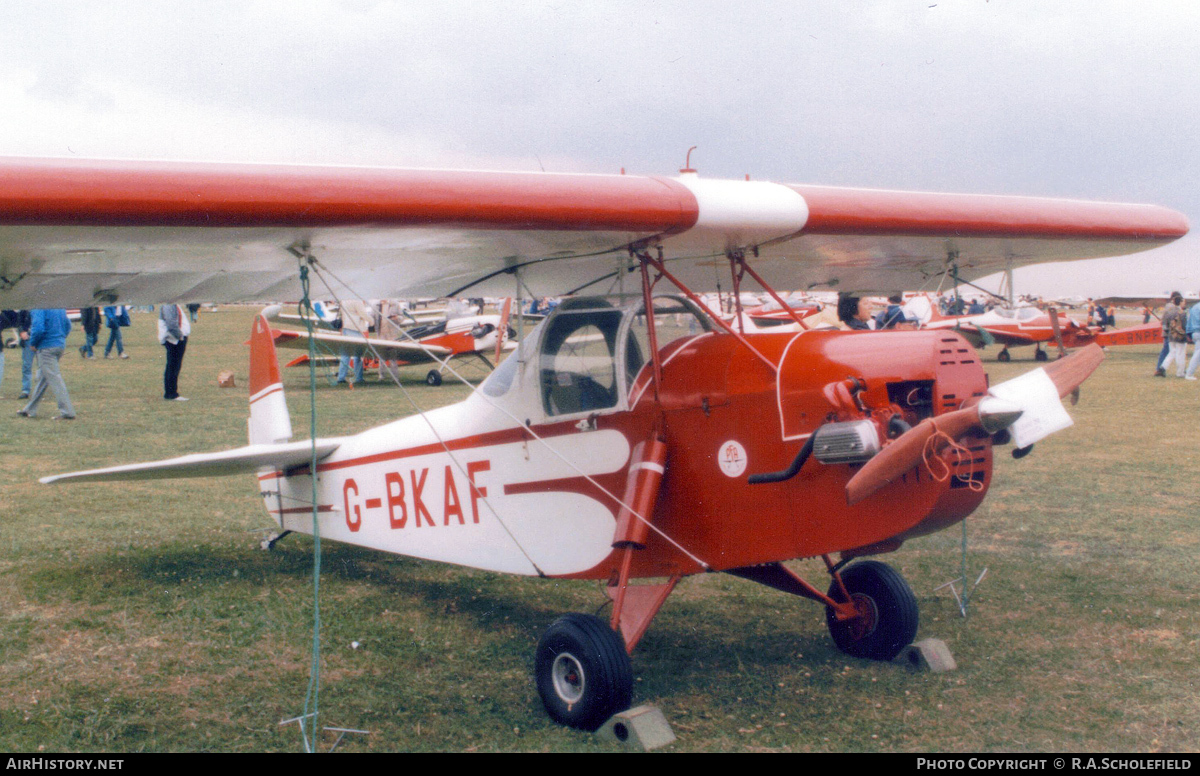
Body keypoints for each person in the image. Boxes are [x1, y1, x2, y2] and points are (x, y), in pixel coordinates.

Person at [18, 308, 75, 419]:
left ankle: (68, 412)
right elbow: (68, 325)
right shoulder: (58, 306)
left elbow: (38, 328)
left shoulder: (38, 307)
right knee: (43, 380)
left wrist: (33, 343)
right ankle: (29, 409)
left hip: (46, 347)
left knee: (55, 379)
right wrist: (60, 338)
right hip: (59, 346)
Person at [158, 303, 191, 401]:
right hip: (174, 339)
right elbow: (171, 323)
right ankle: (171, 393)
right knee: (173, 366)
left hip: (176, 338)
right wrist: (180, 336)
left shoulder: (172, 303)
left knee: (174, 366)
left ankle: (171, 392)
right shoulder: (168, 305)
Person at [336, 299, 372, 385]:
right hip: (355, 329)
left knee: (345, 354)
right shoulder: (357, 301)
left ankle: (341, 377)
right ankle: (358, 378)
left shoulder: (344, 300)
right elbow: (363, 314)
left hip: (346, 328)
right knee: (358, 354)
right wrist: (372, 321)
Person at [1159, 292, 1187, 378]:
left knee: (1172, 352)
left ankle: (1163, 367)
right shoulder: (1182, 313)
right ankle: (1180, 372)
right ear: (1180, 302)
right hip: (1180, 335)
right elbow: (1184, 325)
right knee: (1180, 353)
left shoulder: (1170, 312)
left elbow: (1164, 323)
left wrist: (1168, 331)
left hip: (1171, 335)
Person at [1184, 293, 1200, 381]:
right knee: (1198, 354)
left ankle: (1189, 371)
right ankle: (1189, 373)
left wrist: (1188, 333)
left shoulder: (1194, 307)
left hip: (1194, 333)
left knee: (1197, 353)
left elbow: (1189, 321)